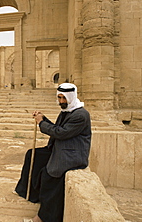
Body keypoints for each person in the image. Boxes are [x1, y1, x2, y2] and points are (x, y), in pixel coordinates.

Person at [15, 83, 91, 222]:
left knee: (49, 175)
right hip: (61, 147)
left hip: (72, 155)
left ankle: (42, 218)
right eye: (59, 97)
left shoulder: (80, 115)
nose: (61, 101)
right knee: (33, 156)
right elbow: (58, 128)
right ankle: (29, 192)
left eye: (64, 98)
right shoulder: (68, 111)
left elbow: (60, 133)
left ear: (71, 97)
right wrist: (43, 119)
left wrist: (41, 123)